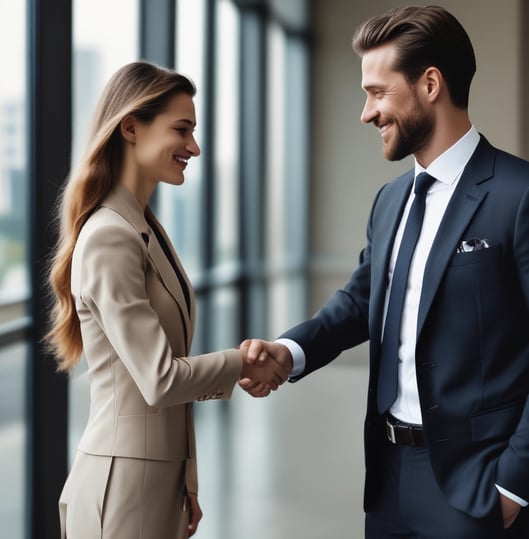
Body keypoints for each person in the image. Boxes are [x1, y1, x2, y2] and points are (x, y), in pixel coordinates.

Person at [239, 5, 529, 538]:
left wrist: (513, 484)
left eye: (376, 91)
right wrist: (288, 351)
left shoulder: (519, 194)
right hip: (389, 478)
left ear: (430, 84)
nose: (366, 112)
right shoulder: (391, 200)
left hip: (477, 485)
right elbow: (359, 302)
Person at [45, 61, 287, 539]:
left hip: (151, 479)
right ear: (130, 127)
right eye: (182, 130)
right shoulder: (111, 236)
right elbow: (159, 380)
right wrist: (241, 362)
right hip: (121, 484)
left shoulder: (143, 226)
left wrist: (187, 476)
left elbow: (162, 383)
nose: (193, 147)